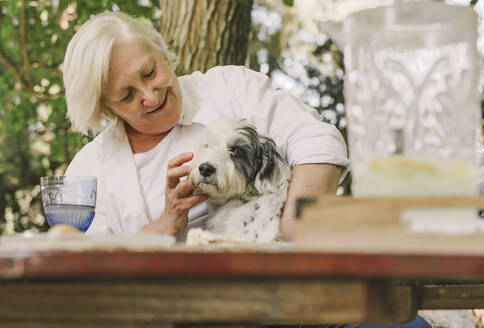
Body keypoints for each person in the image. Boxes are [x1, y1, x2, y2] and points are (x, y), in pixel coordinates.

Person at [62, 11, 430, 328]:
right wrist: (168, 222)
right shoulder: (92, 167)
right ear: (105, 109)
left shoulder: (230, 87)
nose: (150, 94)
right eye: (127, 95)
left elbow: (317, 140)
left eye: (150, 72)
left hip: (302, 298)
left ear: (161, 51)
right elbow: (91, 273)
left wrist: (294, 225)